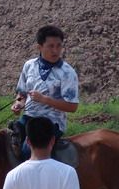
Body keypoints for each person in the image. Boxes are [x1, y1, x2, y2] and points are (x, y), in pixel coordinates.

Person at [11, 25, 79, 160]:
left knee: (27, 151)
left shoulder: (67, 72)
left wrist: (45, 100)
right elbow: (22, 94)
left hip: (52, 122)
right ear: (39, 47)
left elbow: (72, 106)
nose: (55, 50)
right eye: (51, 46)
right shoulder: (29, 65)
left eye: (59, 46)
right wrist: (18, 103)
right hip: (29, 117)